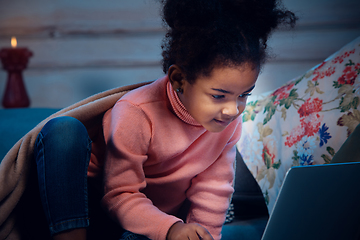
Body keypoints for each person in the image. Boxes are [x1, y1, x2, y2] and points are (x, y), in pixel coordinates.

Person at [34, 0, 297, 239]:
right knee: (63, 130)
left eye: (244, 95)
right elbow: (118, 194)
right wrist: (170, 229)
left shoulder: (227, 122)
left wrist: (201, 236)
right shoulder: (136, 111)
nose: (232, 110)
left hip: (146, 225)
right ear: (179, 79)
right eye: (219, 96)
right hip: (95, 208)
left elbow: (213, 191)